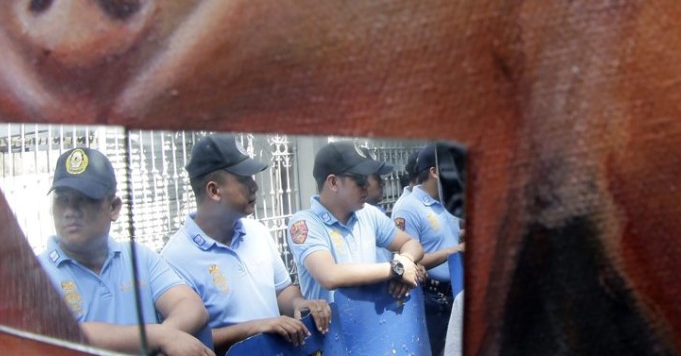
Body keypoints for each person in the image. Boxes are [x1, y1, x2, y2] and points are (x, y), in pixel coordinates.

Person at [161, 134, 332, 352]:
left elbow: (282, 291)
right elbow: (183, 341)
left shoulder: (257, 232)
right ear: (214, 191)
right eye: (244, 179)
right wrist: (256, 328)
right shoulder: (176, 258)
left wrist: (299, 304)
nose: (255, 186)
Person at [38, 146, 213, 356]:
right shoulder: (34, 275)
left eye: (83, 199)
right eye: (62, 200)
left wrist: (166, 336)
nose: (69, 212)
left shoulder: (137, 257)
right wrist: (160, 337)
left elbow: (190, 306)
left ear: (114, 207)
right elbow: (64, 334)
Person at [286, 140, 425, 305]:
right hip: (332, 326)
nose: (366, 185)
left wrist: (406, 259)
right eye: (359, 179)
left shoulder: (368, 213)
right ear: (333, 182)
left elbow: (411, 243)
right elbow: (329, 276)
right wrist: (396, 269)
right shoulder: (305, 223)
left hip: (372, 322)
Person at [391, 144, 464, 356]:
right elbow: (409, 263)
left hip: (455, 293)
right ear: (435, 171)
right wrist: (455, 250)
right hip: (432, 300)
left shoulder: (449, 202)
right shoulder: (408, 208)